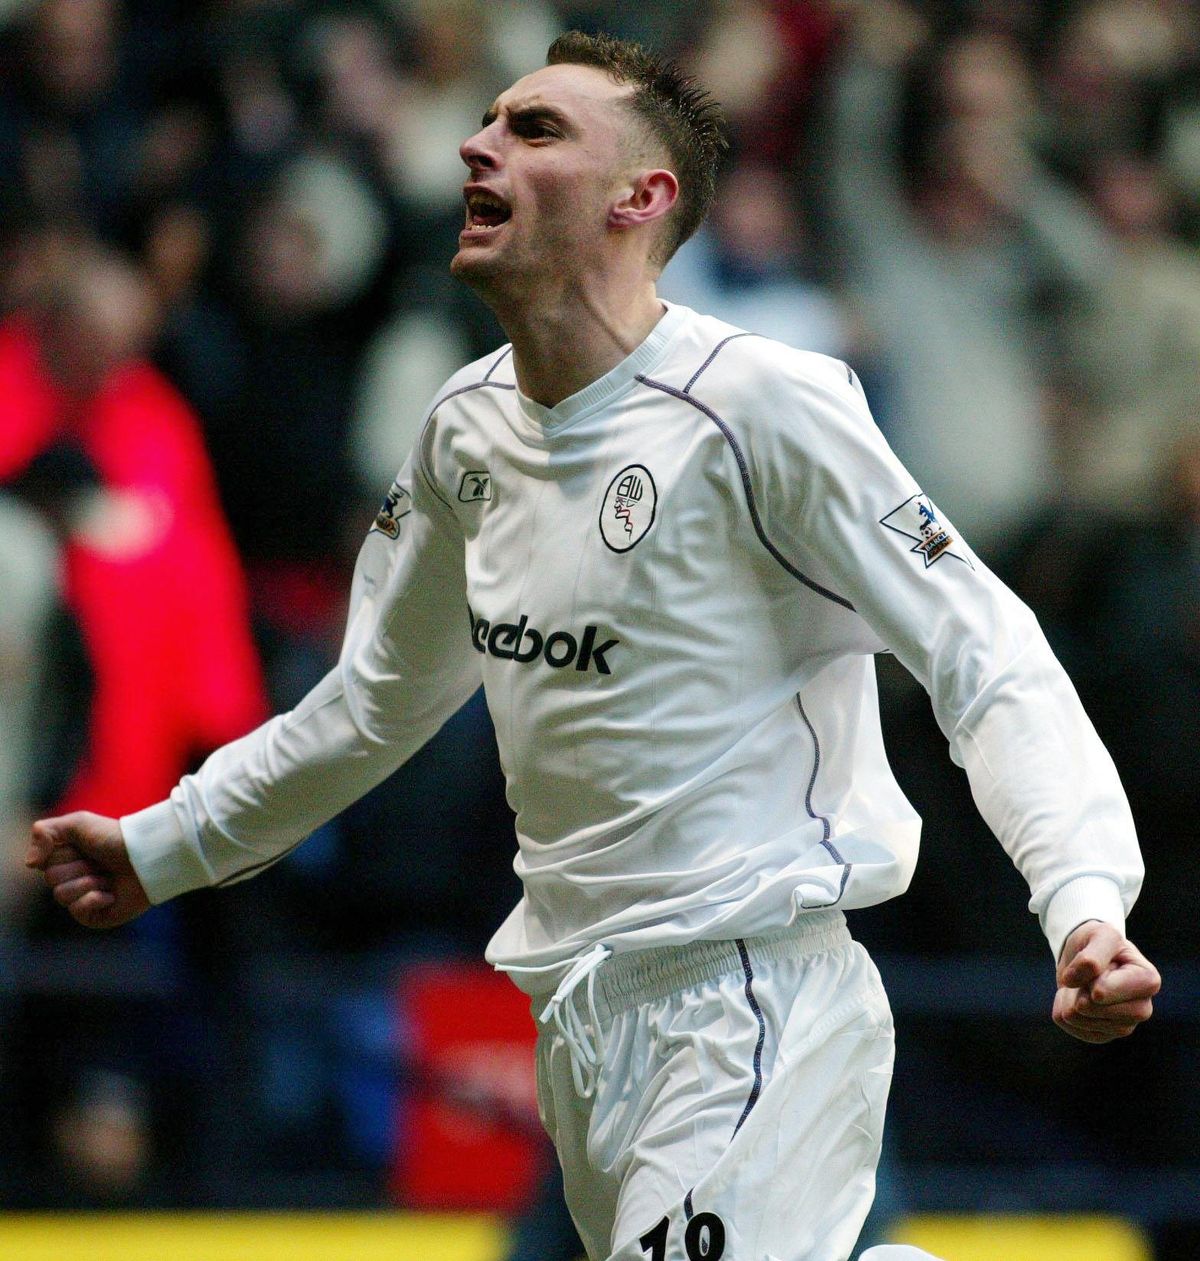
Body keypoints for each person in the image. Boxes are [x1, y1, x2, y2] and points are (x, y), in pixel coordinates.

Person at [27, 31, 1160, 1261]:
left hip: (750, 989)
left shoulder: (761, 407)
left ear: (643, 197)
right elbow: (367, 708)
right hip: (577, 1021)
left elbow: (984, 652)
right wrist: (164, 843)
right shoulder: (465, 433)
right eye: (489, 122)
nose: (479, 143)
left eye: (536, 129)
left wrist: (1083, 897)